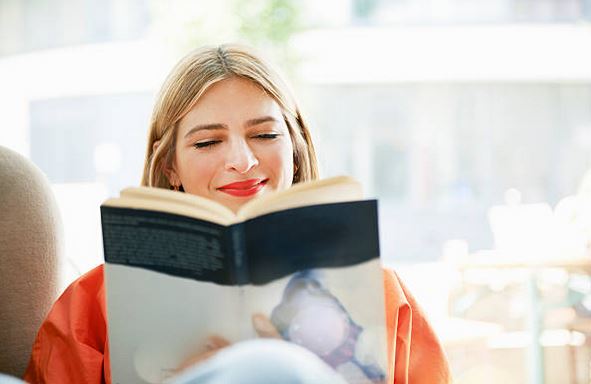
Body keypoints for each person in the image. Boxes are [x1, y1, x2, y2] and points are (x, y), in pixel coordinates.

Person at [24, 44, 451, 384]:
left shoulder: (379, 293)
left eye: (264, 134)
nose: (243, 160)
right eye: (207, 143)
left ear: (296, 151)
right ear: (169, 166)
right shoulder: (90, 307)